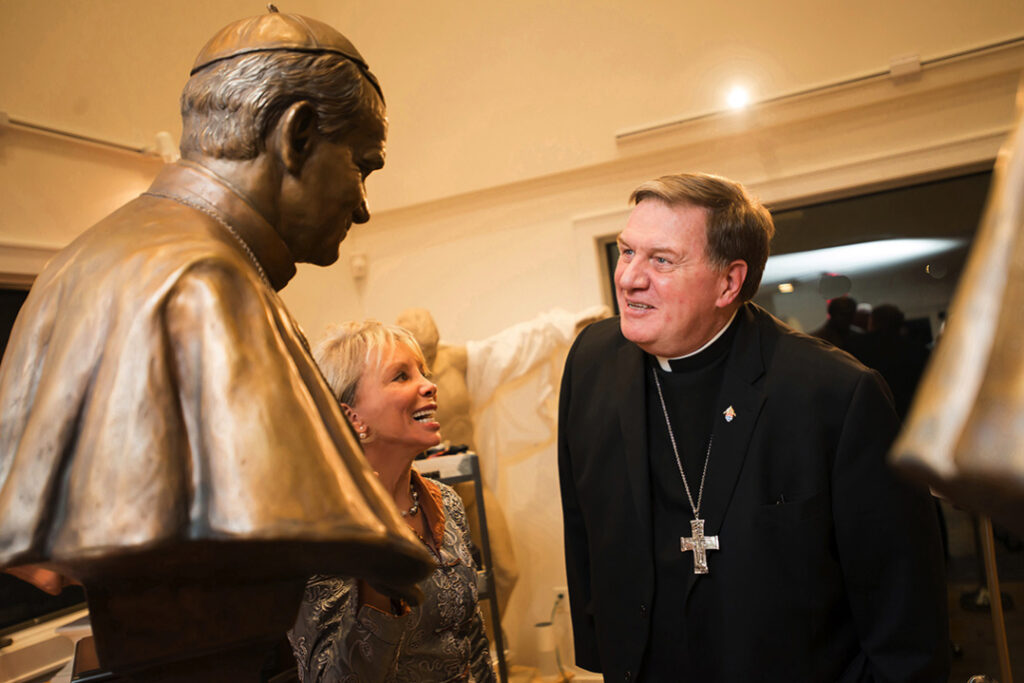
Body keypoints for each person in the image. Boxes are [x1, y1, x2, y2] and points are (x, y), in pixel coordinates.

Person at [0, 7, 427, 635]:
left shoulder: (76, 263)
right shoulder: (208, 279)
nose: (362, 206)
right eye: (362, 165)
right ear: (297, 135)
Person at [558, 172, 949, 681]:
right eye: (626, 251)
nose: (629, 277)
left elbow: (903, 608)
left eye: (661, 260)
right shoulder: (590, 362)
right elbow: (582, 527)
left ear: (729, 281)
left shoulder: (834, 395)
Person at [289, 321, 495, 683]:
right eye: (401, 376)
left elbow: (472, 641)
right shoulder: (321, 529)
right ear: (352, 417)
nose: (430, 385)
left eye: (423, 373)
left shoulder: (445, 501)